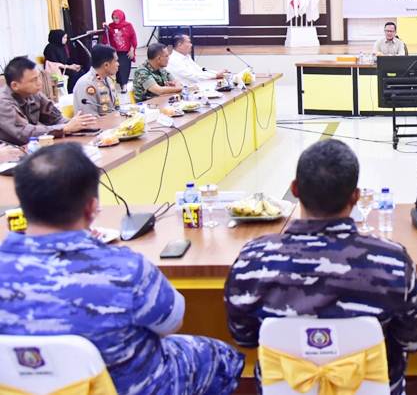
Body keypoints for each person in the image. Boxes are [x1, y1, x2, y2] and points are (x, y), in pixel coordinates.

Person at [0, 143, 244, 394]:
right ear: (91, 207)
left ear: (23, 204)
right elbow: (172, 323)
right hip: (128, 387)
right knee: (219, 354)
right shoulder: (125, 269)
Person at [224, 139, 417, 395]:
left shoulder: (252, 261)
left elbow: (245, 338)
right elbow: (413, 340)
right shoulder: (393, 262)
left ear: (295, 189)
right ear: (356, 196)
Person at [0, 57, 97, 145]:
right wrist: (64, 128)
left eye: (38, 77)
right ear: (15, 85)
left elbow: (56, 118)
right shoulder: (3, 102)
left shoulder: (34, 93)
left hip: (32, 147)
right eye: (33, 80)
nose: (39, 83)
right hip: (9, 153)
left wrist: (79, 124)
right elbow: (24, 133)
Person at [73, 44, 120, 116]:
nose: (118, 64)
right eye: (116, 61)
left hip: (113, 123)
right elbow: (89, 120)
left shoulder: (108, 79)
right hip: (99, 126)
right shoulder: (86, 84)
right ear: (106, 65)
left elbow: (115, 108)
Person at [102, 9, 137, 92]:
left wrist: (132, 49)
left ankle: (124, 85)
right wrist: (105, 27)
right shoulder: (111, 26)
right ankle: (121, 84)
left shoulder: (128, 25)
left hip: (126, 51)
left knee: (124, 68)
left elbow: (133, 38)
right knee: (117, 68)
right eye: (113, 18)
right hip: (115, 51)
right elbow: (107, 37)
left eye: (117, 18)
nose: (115, 20)